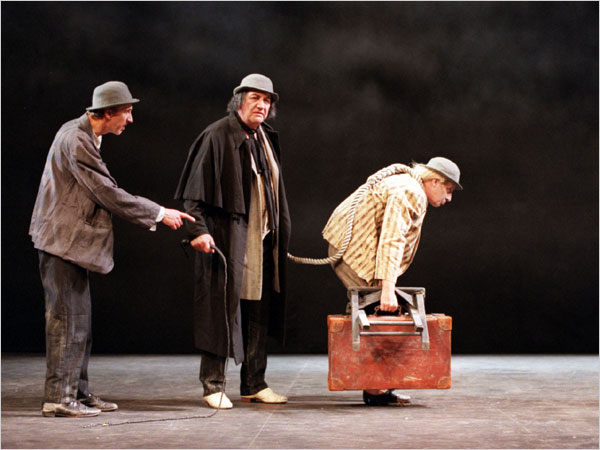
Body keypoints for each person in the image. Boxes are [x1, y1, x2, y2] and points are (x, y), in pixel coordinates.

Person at [29, 81, 195, 418]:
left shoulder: (83, 134)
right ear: (106, 113)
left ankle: (76, 392)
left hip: (68, 242)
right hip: (61, 242)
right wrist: (158, 213)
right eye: (126, 112)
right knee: (66, 322)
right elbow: (105, 191)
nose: (130, 119)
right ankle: (59, 398)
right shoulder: (76, 139)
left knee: (79, 323)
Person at [174, 74, 291, 409]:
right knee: (221, 308)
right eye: (255, 98)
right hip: (227, 239)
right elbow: (193, 196)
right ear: (239, 100)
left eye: (267, 100)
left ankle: (254, 383)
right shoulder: (217, 135)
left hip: (262, 240)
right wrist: (198, 231)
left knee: (259, 309)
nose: (262, 105)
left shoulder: (265, 137)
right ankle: (213, 384)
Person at [322, 157, 462, 406]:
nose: (449, 198)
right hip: (354, 249)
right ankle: (374, 389)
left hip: (355, 245)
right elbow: (392, 238)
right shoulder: (410, 191)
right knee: (373, 307)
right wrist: (387, 289)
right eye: (448, 190)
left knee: (369, 307)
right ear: (434, 181)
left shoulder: (410, 184)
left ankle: (373, 383)